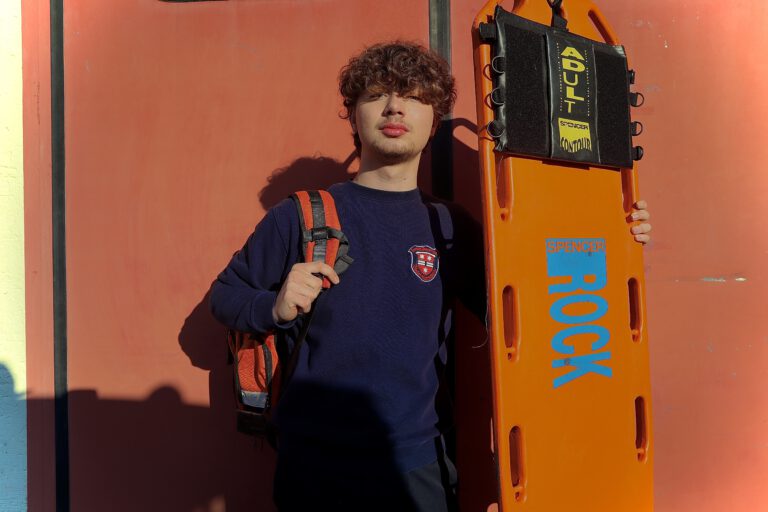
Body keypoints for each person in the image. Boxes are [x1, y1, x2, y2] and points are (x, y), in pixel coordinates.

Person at [210, 41, 652, 512]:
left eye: (414, 96)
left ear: (434, 121)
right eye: (376, 95)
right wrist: (274, 306)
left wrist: (614, 237)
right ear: (354, 115)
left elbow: (538, 313)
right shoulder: (300, 216)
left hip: (419, 465)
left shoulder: (451, 226)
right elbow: (225, 296)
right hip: (315, 466)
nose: (394, 107)